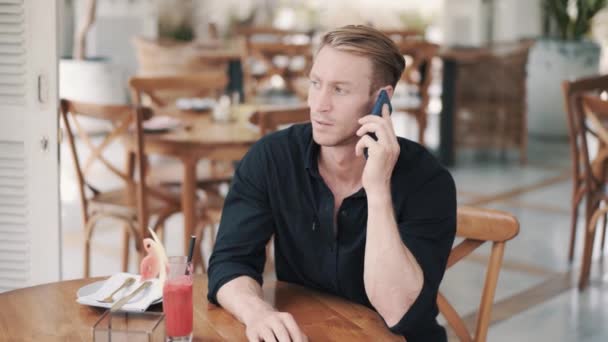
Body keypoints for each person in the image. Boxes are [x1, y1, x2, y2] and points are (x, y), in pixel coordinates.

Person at [207, 25, 456, 342]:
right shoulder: (272, 158)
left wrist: (378, 189)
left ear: (382, 100)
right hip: (313, 334)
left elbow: (398, 311)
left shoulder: (428, 181)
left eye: (340, 90)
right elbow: (230, 262)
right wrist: (256, 311)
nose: (319, 104)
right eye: (316, 83)